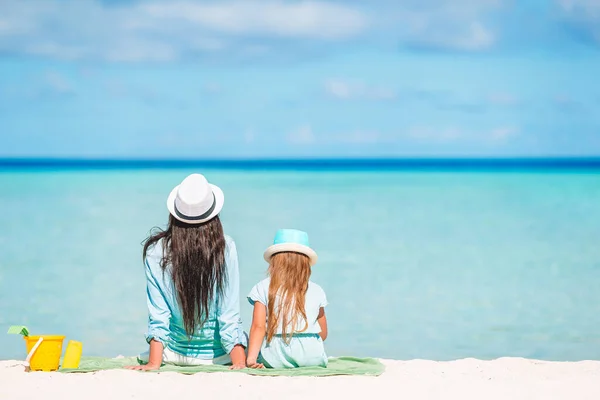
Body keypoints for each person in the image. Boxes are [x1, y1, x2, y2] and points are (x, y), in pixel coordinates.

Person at [126, 173, 247, 371]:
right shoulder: (226, 247)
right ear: (213, 216)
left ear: (174, 214)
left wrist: (154, 363)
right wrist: (240, 363)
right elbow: (229, 313)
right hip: (221, 357)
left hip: (173, 355)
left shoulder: (155, 251)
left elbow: (159, 316)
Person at [246, 229, 328, 369]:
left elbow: (258, 327)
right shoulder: (317, 290)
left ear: (274, 261)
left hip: (276, 357)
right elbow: (323, 333)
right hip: (312, 356)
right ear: (306, 264)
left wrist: (251, 359)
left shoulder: (263, 287)